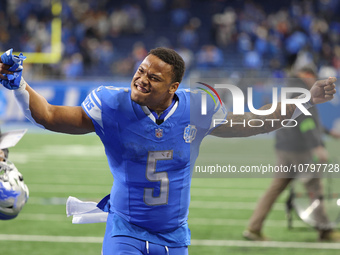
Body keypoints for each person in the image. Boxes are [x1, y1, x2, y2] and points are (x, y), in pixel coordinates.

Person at [0, 47, 336, 255]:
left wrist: (304, 100)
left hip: (174, 236)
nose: (142, 79)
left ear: (173, 87)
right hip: (125, 231)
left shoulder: (196, 109)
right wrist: (20, 84)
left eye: (154, 78)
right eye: (141, 71)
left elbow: (255, 122)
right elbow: (49, 116)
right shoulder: (112, 104)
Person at [243, 66, 340, 242]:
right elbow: (305, 122)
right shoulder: (301, 90)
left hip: (284, 147)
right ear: (307, 75)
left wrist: (327, 132)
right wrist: (317, 146)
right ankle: (325, 230)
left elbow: (306, 120)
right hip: (299, 150)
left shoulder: (290, 88)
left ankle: (253, 228)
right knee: (314, 187)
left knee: (275, 189)